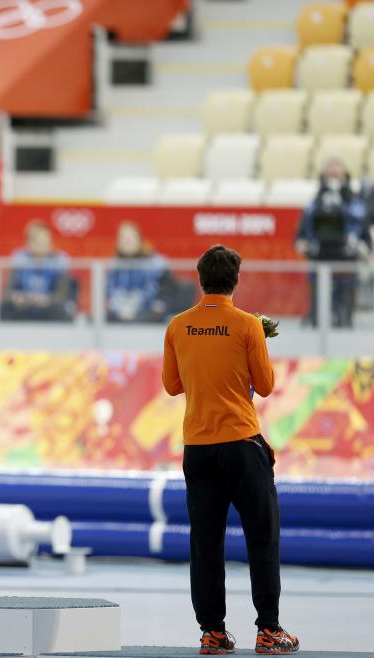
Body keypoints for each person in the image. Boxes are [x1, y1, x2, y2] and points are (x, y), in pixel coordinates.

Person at [162, 245, 299, 656]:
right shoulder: (248, 326)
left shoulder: (178, 326)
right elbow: (268, 384)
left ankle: (212, 632)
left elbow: (172, 385)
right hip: (241, 444)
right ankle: (268, 630)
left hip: (198, 448)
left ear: (199, 279)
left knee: (205, 543)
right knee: (262, 537)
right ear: (236, 280)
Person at [295, 158, 371, 328]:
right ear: (323, 176)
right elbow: (300, 236)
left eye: (338, 173)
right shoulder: (313, 205)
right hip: (319, 261)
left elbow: (365, 237)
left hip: (346, 263)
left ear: (346, 176)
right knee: (318, 320)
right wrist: (304, 245)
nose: (334, 176)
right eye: (330, 173)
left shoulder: (356, 205)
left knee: (345, 320)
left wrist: (364, 248)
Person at [0, 220, 75, 322]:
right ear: (29, 242)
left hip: (49, 308)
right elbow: (8, 291)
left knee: (62, 310)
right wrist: (17, 297)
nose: (43, 245)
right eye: (38, 241)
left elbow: (62, 294)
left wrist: (47, 300)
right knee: (4, 309)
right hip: (24, 307)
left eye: (45, 241)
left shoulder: (58, 261)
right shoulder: (19, 261)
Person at [107, 221, 181, 324]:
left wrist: (158, 305)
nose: (126, 241)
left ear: (139, 239)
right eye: (123, 238)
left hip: (148, 315)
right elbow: (109, 294)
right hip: (120, 316)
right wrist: (120, 307)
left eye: (130, 237)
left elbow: (167, 293)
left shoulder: (157, 264)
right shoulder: (113, 266)